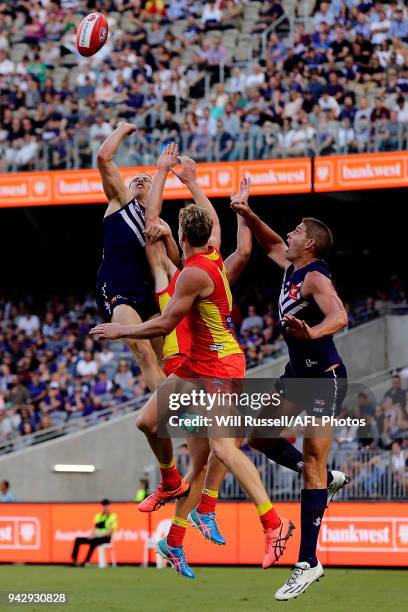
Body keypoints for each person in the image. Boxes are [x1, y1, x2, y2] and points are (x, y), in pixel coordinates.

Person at [91, 202, 294, 579]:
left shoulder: (187, 275)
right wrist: (204, 188)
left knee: (217, 449)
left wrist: (120, 330)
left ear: (180, 238)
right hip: (193, 366)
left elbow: (166, 321)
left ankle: (270, 522)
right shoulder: (208, 256)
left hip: (217, 366)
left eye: (165, 235)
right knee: (148, 423)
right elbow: (227, 236)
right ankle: (176, 494)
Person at [140, 150, 255, 574]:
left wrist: (187, 182)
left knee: (209, 456)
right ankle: (184, 497)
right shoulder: (170, 274)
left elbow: (232, 246)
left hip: (197, 371)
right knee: (213, 450)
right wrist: (167, 177)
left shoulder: (203, 273)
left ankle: (177, 533)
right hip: (180, 371)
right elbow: (155, 226)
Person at [229, 203, 349, 600]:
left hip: (323, 379)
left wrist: (313, 333)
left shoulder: (314, 276)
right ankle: (324, 481)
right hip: (298, 375)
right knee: (258, 436)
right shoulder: (290, 264)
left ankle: (307, 562)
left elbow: (340, 316)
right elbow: (271, 241)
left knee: (314, 462)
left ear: (310, 243)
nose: (291, 233)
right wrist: (245, 213)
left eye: (298, 230)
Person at [95, 124, 179, 393]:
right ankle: (173, 415)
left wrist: (167, 236)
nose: (141, 180)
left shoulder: (159, 222)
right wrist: (122, 129)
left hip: (150, 293)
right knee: (143, 352)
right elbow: (103, 157)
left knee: (166, 359)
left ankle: (179, 420)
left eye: (147, 178)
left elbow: (174, 262)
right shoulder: (120, 203)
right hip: (118, 289)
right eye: (135, 179)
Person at [71, 499, 118, 566]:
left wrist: (97, 535)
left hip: (106, 538)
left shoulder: (113, 516)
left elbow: (109, 532)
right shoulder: (98, 516)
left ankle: (86, 561)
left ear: (109, 506)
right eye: (104, 506)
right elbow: (94, 529)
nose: (105, 507)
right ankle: (74, 560)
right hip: (96, 537)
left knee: (94, 542)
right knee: (78, 540)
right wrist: (91, 535)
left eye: (106, 506)